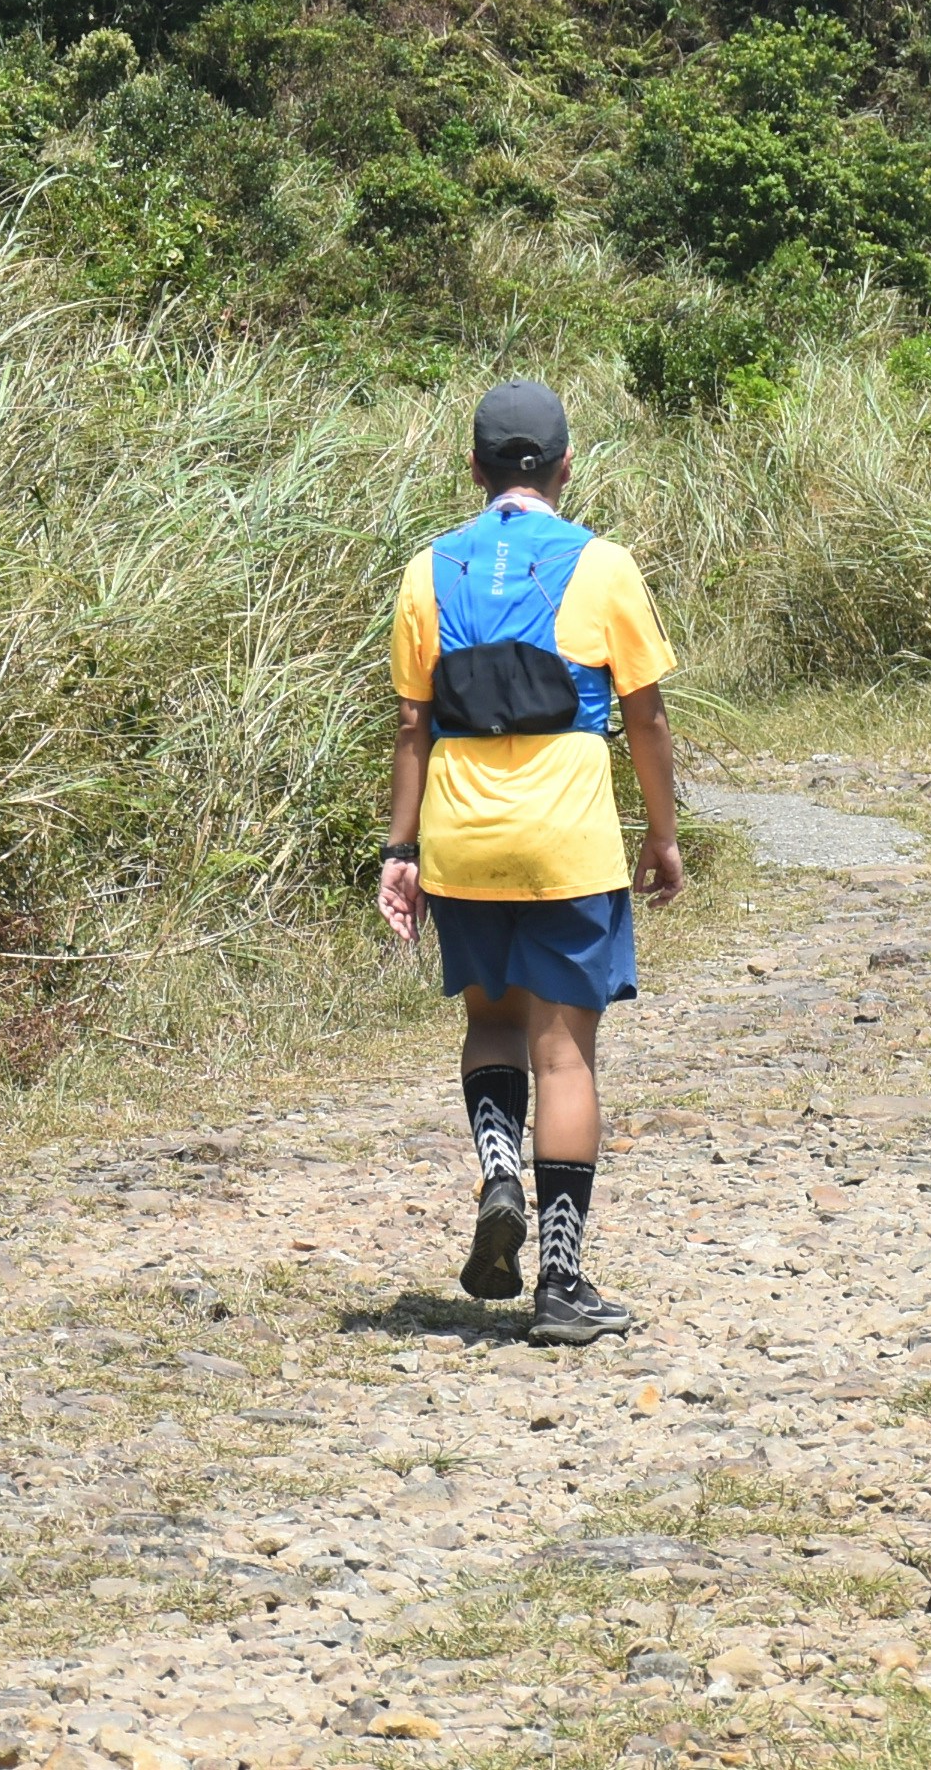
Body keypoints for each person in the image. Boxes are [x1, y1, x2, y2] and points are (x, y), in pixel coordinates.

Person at [377, 379, 684, 1345]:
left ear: (474, 469)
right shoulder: (603, 565)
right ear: (563, 465)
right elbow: (646, 717)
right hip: (567, 836)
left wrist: (400, 850)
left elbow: (411, 727)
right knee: (565, 1054)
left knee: (492, 1026)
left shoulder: (428, 570)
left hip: (462, 834)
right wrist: (664, 837)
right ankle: (560, 1283)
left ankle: (499, 1167)